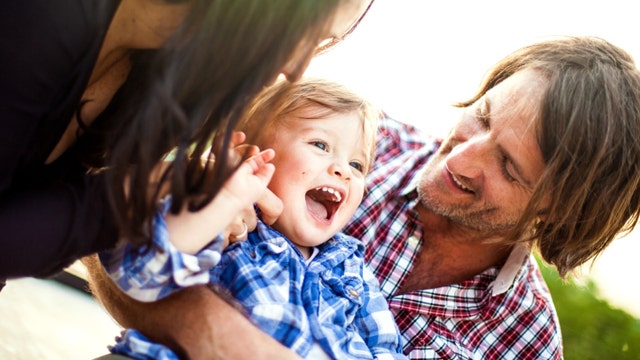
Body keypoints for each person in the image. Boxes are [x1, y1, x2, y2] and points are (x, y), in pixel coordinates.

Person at [86, 36, 640, 359]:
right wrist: (217, 335)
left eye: (509, 168)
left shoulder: (523, 343)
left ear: (560, 212)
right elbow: (104, 220)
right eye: (483, 117)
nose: (461, 159)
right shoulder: (338, 144)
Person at [0, 0, 373, 285]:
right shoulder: (39, 20)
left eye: (323, 43)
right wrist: (149, 188)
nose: (296, 70)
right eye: (300, 31)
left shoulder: (159, 85)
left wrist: (179, 186)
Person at [100, 77, 406, 359]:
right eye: (320, 145)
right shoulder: (232, 224)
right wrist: (225, 201)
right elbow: (143, 272)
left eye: (357, 164)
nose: (343, 170)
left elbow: (385, 347)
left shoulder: (352, 265)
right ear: (250, 155)